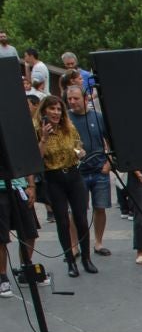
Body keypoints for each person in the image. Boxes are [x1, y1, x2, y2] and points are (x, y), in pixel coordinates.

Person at [33, 95, 96, 277]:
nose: (56, 112)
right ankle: (70, 261)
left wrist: (80, 152)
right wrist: (44, 138)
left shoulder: (68, 127)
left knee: (82, 219)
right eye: (52, 109)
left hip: (74, 175)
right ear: (44, 110)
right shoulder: (38, 129)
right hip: (53, 178)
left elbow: (79, 145)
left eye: (59, 109)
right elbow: (37, 158)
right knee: (62, 221)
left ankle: (86, 258)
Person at [65, 85, 113, 258]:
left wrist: (109, 163)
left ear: (85, 99)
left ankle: (98, 243)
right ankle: (74, 245)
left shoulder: (98, 117)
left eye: (76, 98)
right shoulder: (66, 119)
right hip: (78, 172)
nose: (72, 102)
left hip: (100, 169)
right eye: (69, 99)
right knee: (76, 210)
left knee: (100, 207)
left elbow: (111, 141)